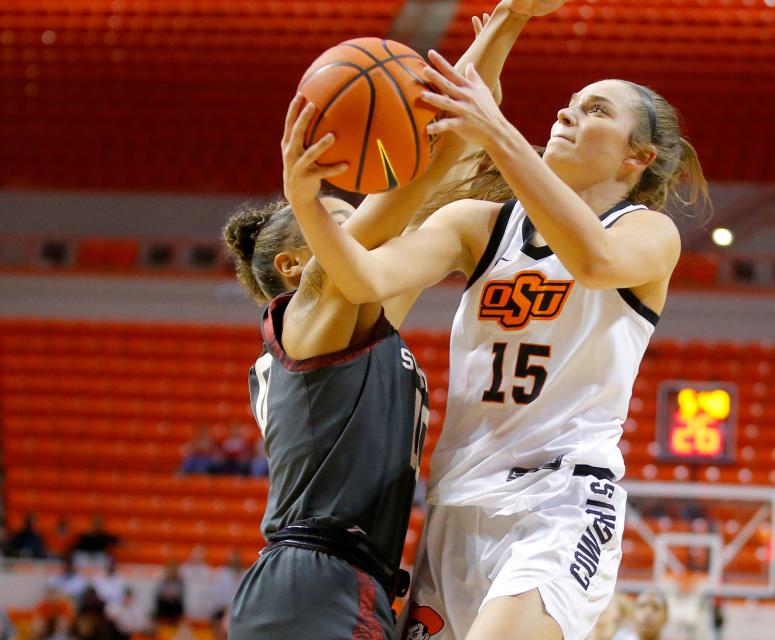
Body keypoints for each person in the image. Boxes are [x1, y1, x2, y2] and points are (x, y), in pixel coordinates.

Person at [283, 3, 708, 636]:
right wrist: (306, 201)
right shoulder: (479, 225)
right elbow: (363, 278)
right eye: (570, 102)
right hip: (456, 503)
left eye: (596, 110)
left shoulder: (647, 233)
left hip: (560, 500)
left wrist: (497, 130)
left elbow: (590, 260)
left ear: (637, 157)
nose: (569, 112)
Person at [225, 5, 551, 639]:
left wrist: (501, 32)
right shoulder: (314, 309)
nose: (364, 228)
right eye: (343, 220)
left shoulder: (351, 317)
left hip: (331, 580)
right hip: (315, 580)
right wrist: (509, 20)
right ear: (296, 265)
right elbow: (432, 166)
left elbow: (446, 168)